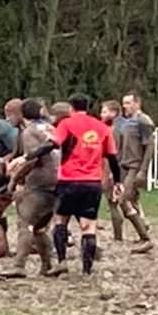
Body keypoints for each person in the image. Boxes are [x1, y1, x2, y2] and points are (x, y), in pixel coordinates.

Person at [49, 95, 116, 276]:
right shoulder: (102, 127)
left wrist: (29, 156)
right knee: (89, 227)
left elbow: (54, 143)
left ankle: (62, 262)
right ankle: (87, 270)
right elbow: (112, 157)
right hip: (92, 182)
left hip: (68, 180)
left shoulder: (66, 124)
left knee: (60, 221)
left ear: (71, 108)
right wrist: (118, 181)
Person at [0, 99, 60, 278]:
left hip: (40, 182)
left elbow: (33, 159)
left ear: (22, 114)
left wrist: (15, 179)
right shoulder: (50, 128)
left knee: (25, 223)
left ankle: (19, 265)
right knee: (40, 227)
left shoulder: (29, 132)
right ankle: (47, 265)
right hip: (59, 180)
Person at [109, 92, 154, 246]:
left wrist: (143, 170)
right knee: (131, 199)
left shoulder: (143, 121)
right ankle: (143, 226)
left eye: (128, 103)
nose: (125, 106)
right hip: (124, 165)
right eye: (124, 103)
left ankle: (145, 236)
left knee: (123, 199)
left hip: (134, 166)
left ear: (137, 104)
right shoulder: (127, 122)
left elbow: (149, 146)